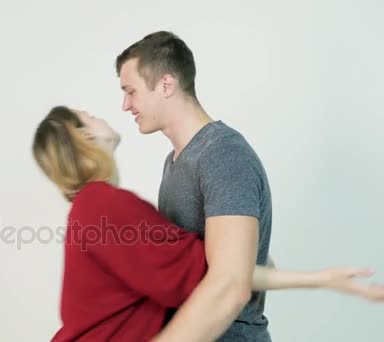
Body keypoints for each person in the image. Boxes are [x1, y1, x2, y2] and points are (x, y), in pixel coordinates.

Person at [31, 106, 384, 342]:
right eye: (89, 116)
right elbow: (222, 275)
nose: (121, 106)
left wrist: (322, 280)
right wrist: (321, 280)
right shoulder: (103, 205)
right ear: (84, 137)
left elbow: (220, 271)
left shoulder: (93, 208)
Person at [116, 30, 268, 341]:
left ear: (166, 84)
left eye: (131, 91)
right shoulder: (174, 161)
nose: (125, 105)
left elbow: (231, 286)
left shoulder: (223, 155)